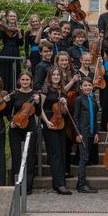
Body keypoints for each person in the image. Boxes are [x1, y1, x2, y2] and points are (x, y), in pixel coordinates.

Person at [40, 66, 72, 194]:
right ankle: (59, 185)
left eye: (58, 75)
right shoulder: (45, 88)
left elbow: (66, 111)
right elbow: (39, 108)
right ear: (50, 76)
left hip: (61, 123)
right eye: (54, 74)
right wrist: (46, 122)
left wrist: (65, 103)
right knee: (55, 154)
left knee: (62, 152)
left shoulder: (62, 90)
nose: (56, 77)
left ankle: (58, 183)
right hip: (49, 122)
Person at [7, 72, 39, 194]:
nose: (25, 81)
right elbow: (8, 111)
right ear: (19, 81)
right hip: (16, 128)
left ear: (31, 81)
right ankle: (17, 185)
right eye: (23, 79)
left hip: (30, 128)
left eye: (27, 79)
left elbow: (38, 112)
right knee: (16, 157)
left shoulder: (35, 94)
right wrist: (11, 121)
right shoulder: (15, 93)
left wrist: (37, 102)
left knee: (29, 157)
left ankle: (28, 187)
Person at [73, 78, 100, 193]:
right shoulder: (79, 99)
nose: (87, 87)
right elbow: (76, 117)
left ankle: (80, 183)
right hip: (82, 133)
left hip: (91, 132)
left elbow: (95, 117)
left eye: (89, 85)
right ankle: (82, 185)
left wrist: (96, 133)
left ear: (92, 87)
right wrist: (78, 133)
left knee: (86, 157)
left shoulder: (93, 100)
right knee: (83, 158)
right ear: (81, 87)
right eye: (85, 85)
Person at [0, 10, 24, 92]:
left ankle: (14, 92)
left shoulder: (19, 29)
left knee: (15, 73)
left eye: (14, 16)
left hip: (15, 51)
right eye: (11, 16)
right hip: (6, 51)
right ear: (7, 18)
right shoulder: (4, 29)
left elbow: (21, 44)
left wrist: (19, 33)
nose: (13, 18)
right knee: (5, 72)